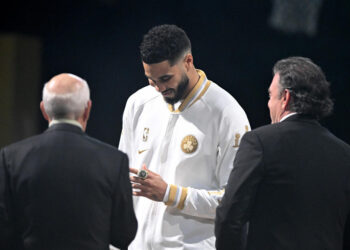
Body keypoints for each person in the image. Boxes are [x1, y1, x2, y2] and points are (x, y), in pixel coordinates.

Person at [118, 24, 250, 249]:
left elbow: (235, 202)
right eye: (151, 80)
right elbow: (122, 183)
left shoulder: (227, 114)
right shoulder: (138, 103)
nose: (159, 88)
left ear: (188, 61)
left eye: (166, 78)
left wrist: (170, 194)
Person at [215, 56, 350, 250]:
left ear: (285, 98)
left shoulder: (259, 142)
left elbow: (229, 217)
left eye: (270, 96)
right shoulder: (345, 155)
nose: (269, 104)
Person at [0, 73, 137, 250]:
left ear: (44, 110)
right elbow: (123, 235)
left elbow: (4, 230)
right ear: (87, 109)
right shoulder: (114, 161)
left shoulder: (11, 158)